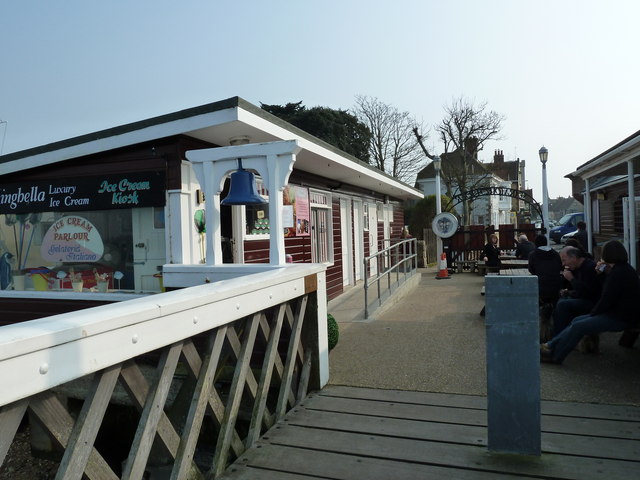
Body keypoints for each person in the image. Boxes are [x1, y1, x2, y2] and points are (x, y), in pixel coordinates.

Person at [541, 240, 640, 364]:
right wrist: (602, 274)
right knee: (577, 321)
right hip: (617, 313)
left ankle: (555, 356)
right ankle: (550, 346)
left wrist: (593, 313)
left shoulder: (618, 273)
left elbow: (606, 297)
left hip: (620, 317)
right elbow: (608, 292)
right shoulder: (622, 270)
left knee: (579, 325)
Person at [551, 246, 602, 336]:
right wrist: (568, 292)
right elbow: (579, 290)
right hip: (587, 298)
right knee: (561, 299)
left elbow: (587, 293)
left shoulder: (589, 267)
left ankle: (559, 336)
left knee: (562, 305)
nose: (563, 264)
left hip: (594, 302)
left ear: (574, 258)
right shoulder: (578, 268)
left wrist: (571, 279)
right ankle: (561, 334)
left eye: (564, 260)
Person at [528, 235, 563, 304]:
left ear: (536, 243)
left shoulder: (533, 254)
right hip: (556, 285)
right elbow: (560, 267)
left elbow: (531, 270)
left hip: (540, 285)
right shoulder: (555, 254)